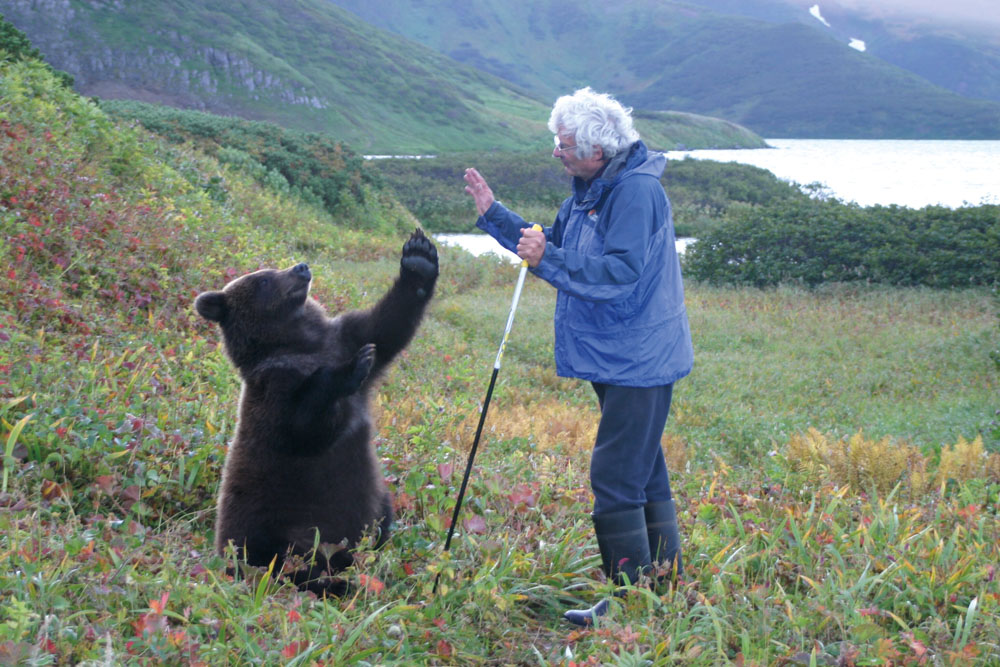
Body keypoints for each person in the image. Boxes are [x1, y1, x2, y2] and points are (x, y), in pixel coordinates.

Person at [464, 87, 694, 626]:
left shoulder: (635, 193)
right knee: (643, 469)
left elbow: (621, 272)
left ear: (596, 149)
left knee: (615, 473)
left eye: (564, 144)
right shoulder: (591, 188)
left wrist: (548, 257)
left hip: (639, 356)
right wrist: (495, 215)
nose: (556, 152)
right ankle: (661, 590)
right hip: (617, 355)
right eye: (557, 141)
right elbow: (552, 245)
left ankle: (629, 606)